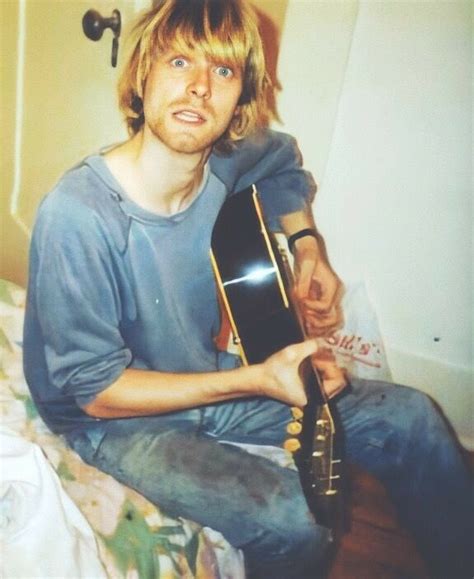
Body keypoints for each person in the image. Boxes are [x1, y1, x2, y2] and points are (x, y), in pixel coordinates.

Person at [23, 1, 473, 577]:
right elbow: (95, 390)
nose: (199, 89)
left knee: (413, 418)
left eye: (224, 71)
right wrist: (257, 379)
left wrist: (309, 247)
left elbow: (285, 166)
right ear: (142, 75)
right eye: (180, 62)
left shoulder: (224, 161)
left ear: (242, 96)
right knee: (298, 520)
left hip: (196, 369)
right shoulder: (79, 214)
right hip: (113, 421)